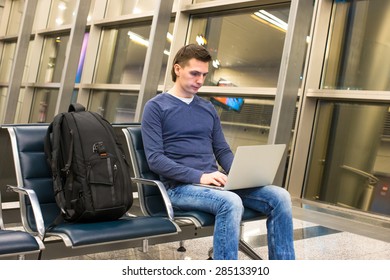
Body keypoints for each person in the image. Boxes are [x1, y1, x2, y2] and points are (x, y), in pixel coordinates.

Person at [141, 43, 295, 260]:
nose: (200, 81)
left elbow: (222, 150)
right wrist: (201, 176)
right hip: (178, 188)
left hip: (214, 184)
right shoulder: (156, 108)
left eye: (204, 75)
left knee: (280, 196)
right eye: (194, 73)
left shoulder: (207, 108)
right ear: (177, 69)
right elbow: (155, 160)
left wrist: (241, 175)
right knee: (230, 202)